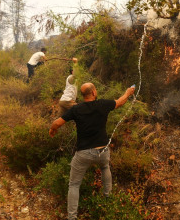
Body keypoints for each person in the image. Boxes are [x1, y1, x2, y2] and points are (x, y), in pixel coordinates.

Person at [49, 83, 135, 220]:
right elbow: (120, 102)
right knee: (105, 166)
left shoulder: (76, 109)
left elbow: (57, 123)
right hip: (102, 151)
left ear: (83, 95)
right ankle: (107, 200)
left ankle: (72, 217)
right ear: (94, 93)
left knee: (74, 184)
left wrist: (52, 130)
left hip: (83, 154)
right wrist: (128, 93)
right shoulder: (103, 104)